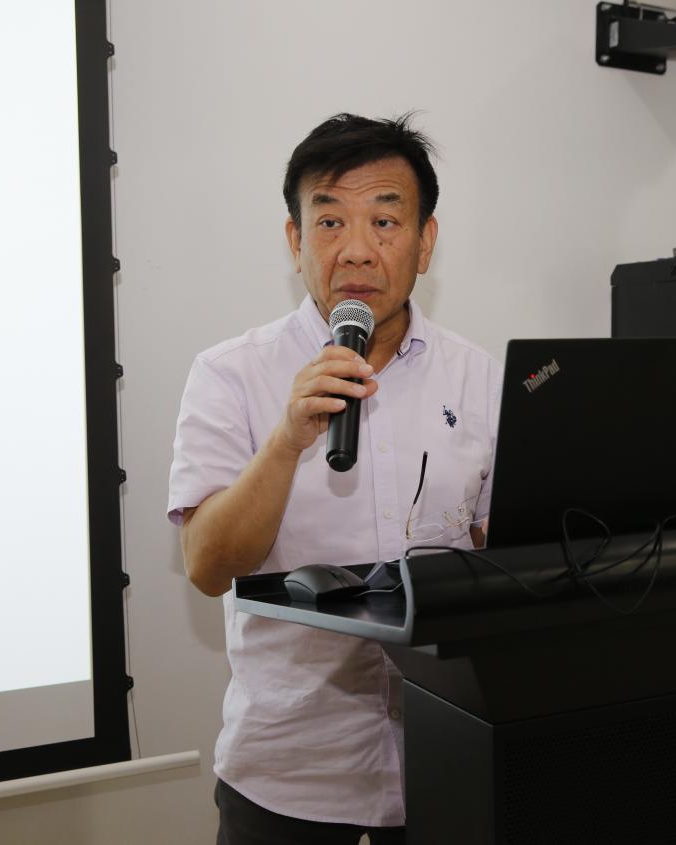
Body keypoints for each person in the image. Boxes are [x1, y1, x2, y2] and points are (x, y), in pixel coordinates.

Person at [167, 113, 501, 844]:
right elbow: (207, 566)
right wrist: (286, 441)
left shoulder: (476, 375)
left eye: (384, 220)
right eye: (328, 222)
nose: (355, 249)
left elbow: (498, 550)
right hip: (289, 778)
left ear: (425, 241)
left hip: (447, 764)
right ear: (295, 241)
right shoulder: (230, 374)